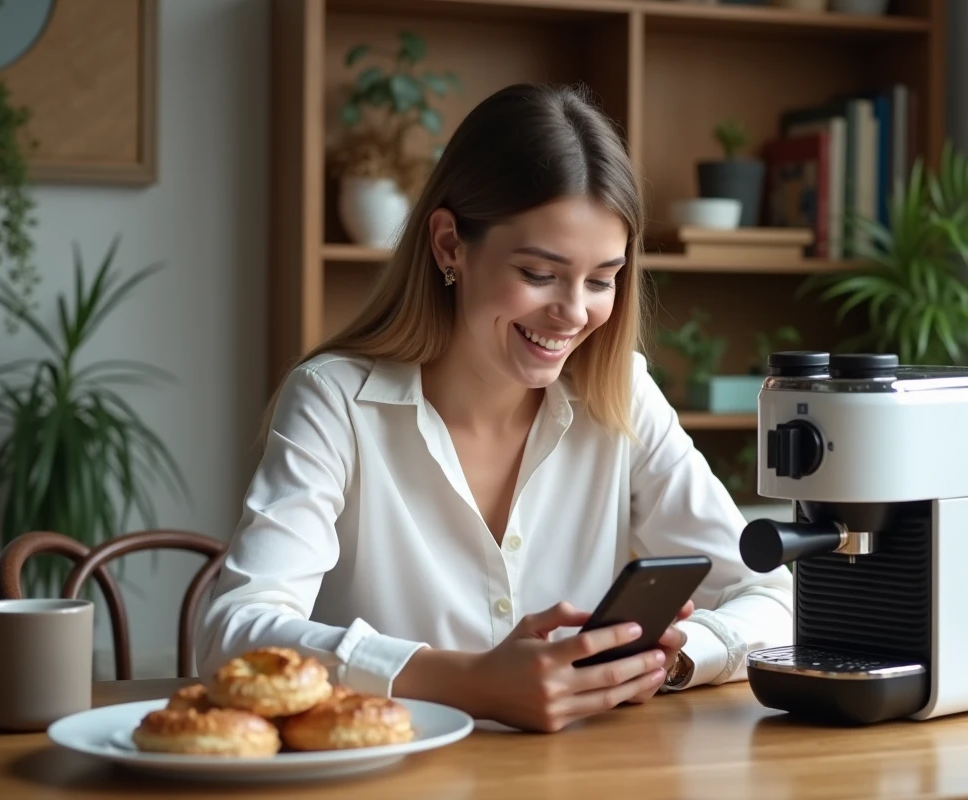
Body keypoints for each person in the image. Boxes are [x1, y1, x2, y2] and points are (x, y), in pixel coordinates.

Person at [194, 82, 794, 733]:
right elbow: (234, 633)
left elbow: (771, 595)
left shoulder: (620, 392)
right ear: (450, 244)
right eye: (539, 274)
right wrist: (469, 684)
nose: (573, 313)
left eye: (601, 279)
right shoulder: (334, 400)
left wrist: (667, 661)